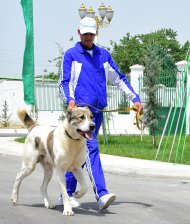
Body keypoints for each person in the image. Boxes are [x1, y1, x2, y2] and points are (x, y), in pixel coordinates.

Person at [58, 17, 143, 211]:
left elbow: (119, 79)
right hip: (79, 116)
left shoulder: (104, 55)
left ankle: (67, 194)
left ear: (96, 34)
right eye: (85, 33)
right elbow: (64, 81)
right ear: (79, 32)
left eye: (92, 33)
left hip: (97, 113)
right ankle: (101, 194)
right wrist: (69, 100)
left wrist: (135, 99)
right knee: (91, 149)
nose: (88, 37)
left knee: (76, 154)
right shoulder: (71, 55)